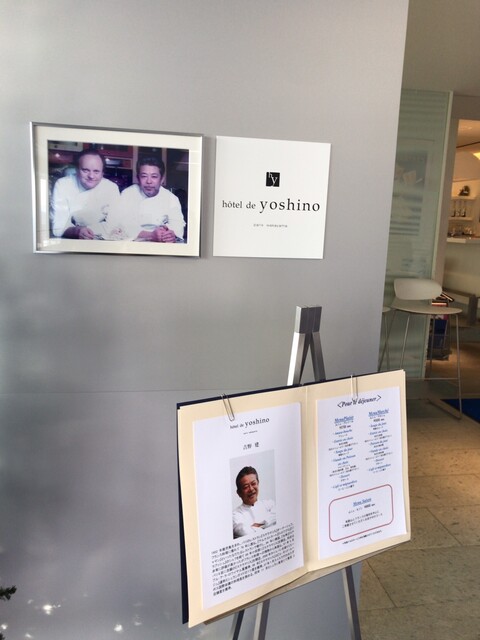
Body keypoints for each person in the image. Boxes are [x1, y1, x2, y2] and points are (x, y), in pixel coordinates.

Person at [108, 156, 185, 242]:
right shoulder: (127, 194)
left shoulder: (171, 198)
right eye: (144, 176)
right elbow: (119, 226)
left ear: (162, 179)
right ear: (138, 178)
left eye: (154, 176)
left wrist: (170, 235)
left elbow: (178, 226)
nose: (149, 181)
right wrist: (150, 235)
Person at [50, 150, 120, 239]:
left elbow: (115, 224)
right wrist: (77, 231)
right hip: (71, 239)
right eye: (85, 170)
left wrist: (88, 230)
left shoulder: (111, 188)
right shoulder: (63, 185)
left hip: (101, 239)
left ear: (102, 173)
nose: (91, 176)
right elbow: (58, 228)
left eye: (96, 171)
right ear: (76, 169)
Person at [232, 466, 276, 538]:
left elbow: (280, 514)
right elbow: (245, 532)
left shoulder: (270, 504)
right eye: (246, 487)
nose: (251, 489)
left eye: (253, 483)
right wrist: (269, 523)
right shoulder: (235, 515)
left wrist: (261, 524)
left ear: (258, 483)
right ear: (239, 493)